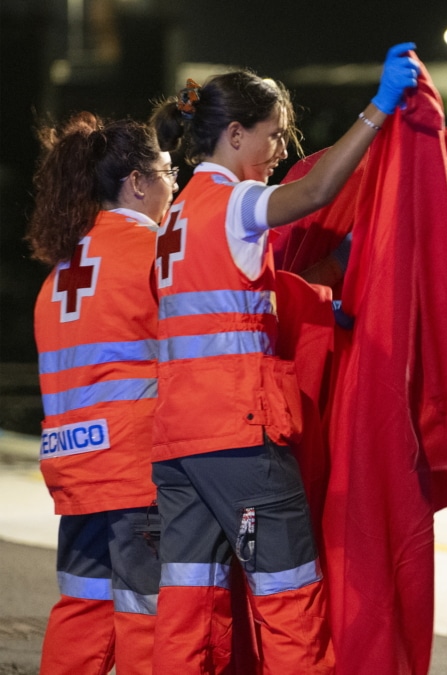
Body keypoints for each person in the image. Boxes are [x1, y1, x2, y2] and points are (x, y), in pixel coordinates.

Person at [146, 44, 418, 674]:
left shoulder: (176, 215)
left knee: (187, 604)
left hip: (178, 440)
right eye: (271, 136)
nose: (277, 154)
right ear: (234, 133)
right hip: (239, 436)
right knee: (288, 594)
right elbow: (320, 190)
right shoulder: (236, 205)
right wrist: (380, 108)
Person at [28, 113, 176, 675]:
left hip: (74, 465)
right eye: (167, 171)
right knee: (150, 616)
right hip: (135, 468)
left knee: (82, 609)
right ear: (137, 182)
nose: (175, 183)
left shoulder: (63, 267)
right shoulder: (158, 253)